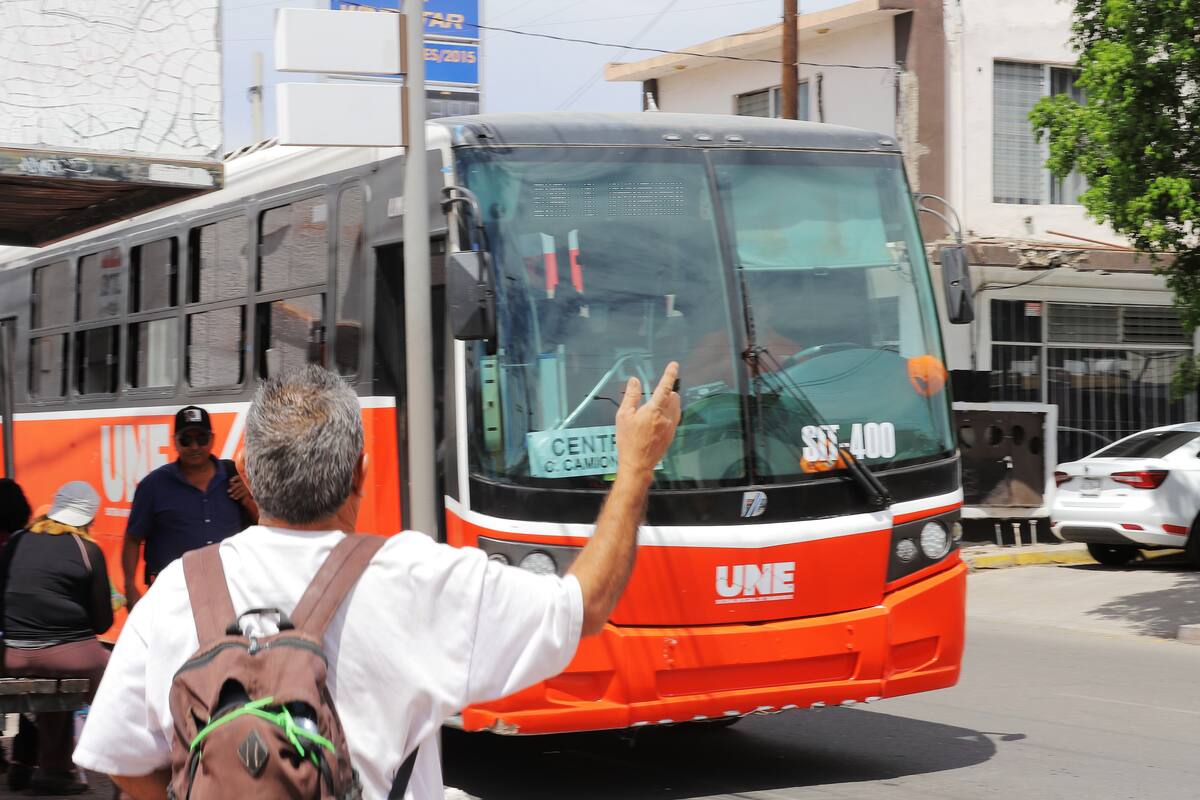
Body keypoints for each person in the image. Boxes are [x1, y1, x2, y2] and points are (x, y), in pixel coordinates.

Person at [75, 362, 680, 799]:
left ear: (250, 481)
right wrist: (634, 467)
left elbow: (120, 761)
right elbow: (583, 607)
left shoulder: (178, 588)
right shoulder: (416, 575)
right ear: (361, 474)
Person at [1, 481, 113, 796]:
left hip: (14, 654)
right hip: (71, 655)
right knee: (117, 677)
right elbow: (103, 622)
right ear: (89, 518)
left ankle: (54, 768)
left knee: (57, 679)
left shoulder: (18, 541)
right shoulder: (87, 549)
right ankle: (131, 762)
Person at [122, 406, 258, 609]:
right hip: (173, 599)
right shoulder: (153, 486)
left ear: (212, 439)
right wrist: (130, 586)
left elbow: (264, 526)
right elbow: (132, 539)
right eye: (186, 440)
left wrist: (248, 499)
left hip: (228, 594)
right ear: (175, 442)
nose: (195, 446)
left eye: (201, 439)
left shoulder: (235, 478)